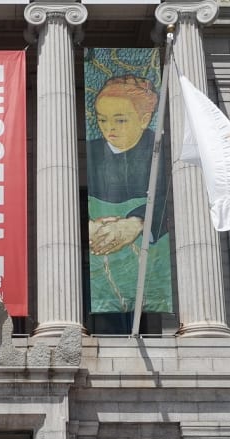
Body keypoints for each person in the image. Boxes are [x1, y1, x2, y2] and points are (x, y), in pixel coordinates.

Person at [85, 73, 171, 318]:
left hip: (147, 259)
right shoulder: (91, 151)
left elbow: (169, 200)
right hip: (99, 260)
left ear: (144, 119)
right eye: (102, 120)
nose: (109, 129)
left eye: (120, 120)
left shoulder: (159, 152)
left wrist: (136, 223)